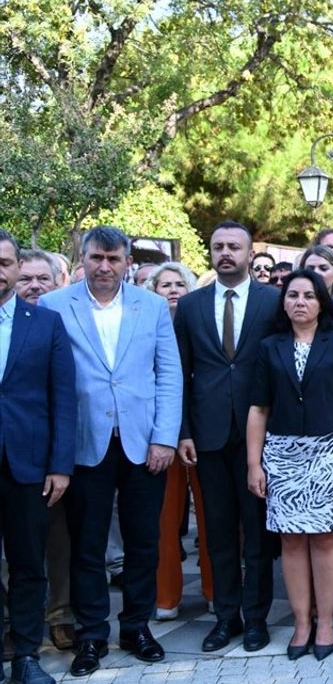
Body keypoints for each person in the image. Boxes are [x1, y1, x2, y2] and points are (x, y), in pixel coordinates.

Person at [40, 226, 182, 676]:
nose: (105, 267)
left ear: (127, 262)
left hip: (143, 442)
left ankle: (137, 626)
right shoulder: (54, 305)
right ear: (82, 259)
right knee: (87, 544)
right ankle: (91, 635)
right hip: (84, 442)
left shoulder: (153, 306)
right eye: (97, 258)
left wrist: (164, 437)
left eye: (114, 259)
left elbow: (169, 375)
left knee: (143, 541)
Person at [172, 221, 281, 653]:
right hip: (209, 433)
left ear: (250, 253)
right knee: (216, 532)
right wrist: (182, 431)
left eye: (234, 246)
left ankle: (256, 619)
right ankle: (225, 618)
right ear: (210, 253)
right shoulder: (193, 305)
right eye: (218, 246)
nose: (226, 253)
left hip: (260, 433)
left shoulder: (274, 301)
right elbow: (179, 373)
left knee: (257, 532)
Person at [246, 270, 333, 662]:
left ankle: (326, 622)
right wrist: (254, 463)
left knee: (327, 537)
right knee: (291, 540)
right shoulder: (269, 347)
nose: (300, 302)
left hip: (328, 451)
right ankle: (300, 624)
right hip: (280, 454)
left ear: (321, 303)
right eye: (293, 295)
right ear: (283, 303)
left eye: (309, 296)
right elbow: (258, 408)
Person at [0, 229, 76, 684]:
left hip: (28, 464)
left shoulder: (44, 323)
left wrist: (60, 464)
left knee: (29, 565)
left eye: (3, 262)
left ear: (14, 266)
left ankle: (26, 657)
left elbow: (62, 398)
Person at [145, 263, 215, 623]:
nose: (172, 290)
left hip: (202, 430)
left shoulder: (201, 323)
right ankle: (166, 597)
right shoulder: (145, 326)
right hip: (157, 434)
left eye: (179, 284)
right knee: (164, 519)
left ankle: (215, 589)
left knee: (212, 517)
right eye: (164, 284)